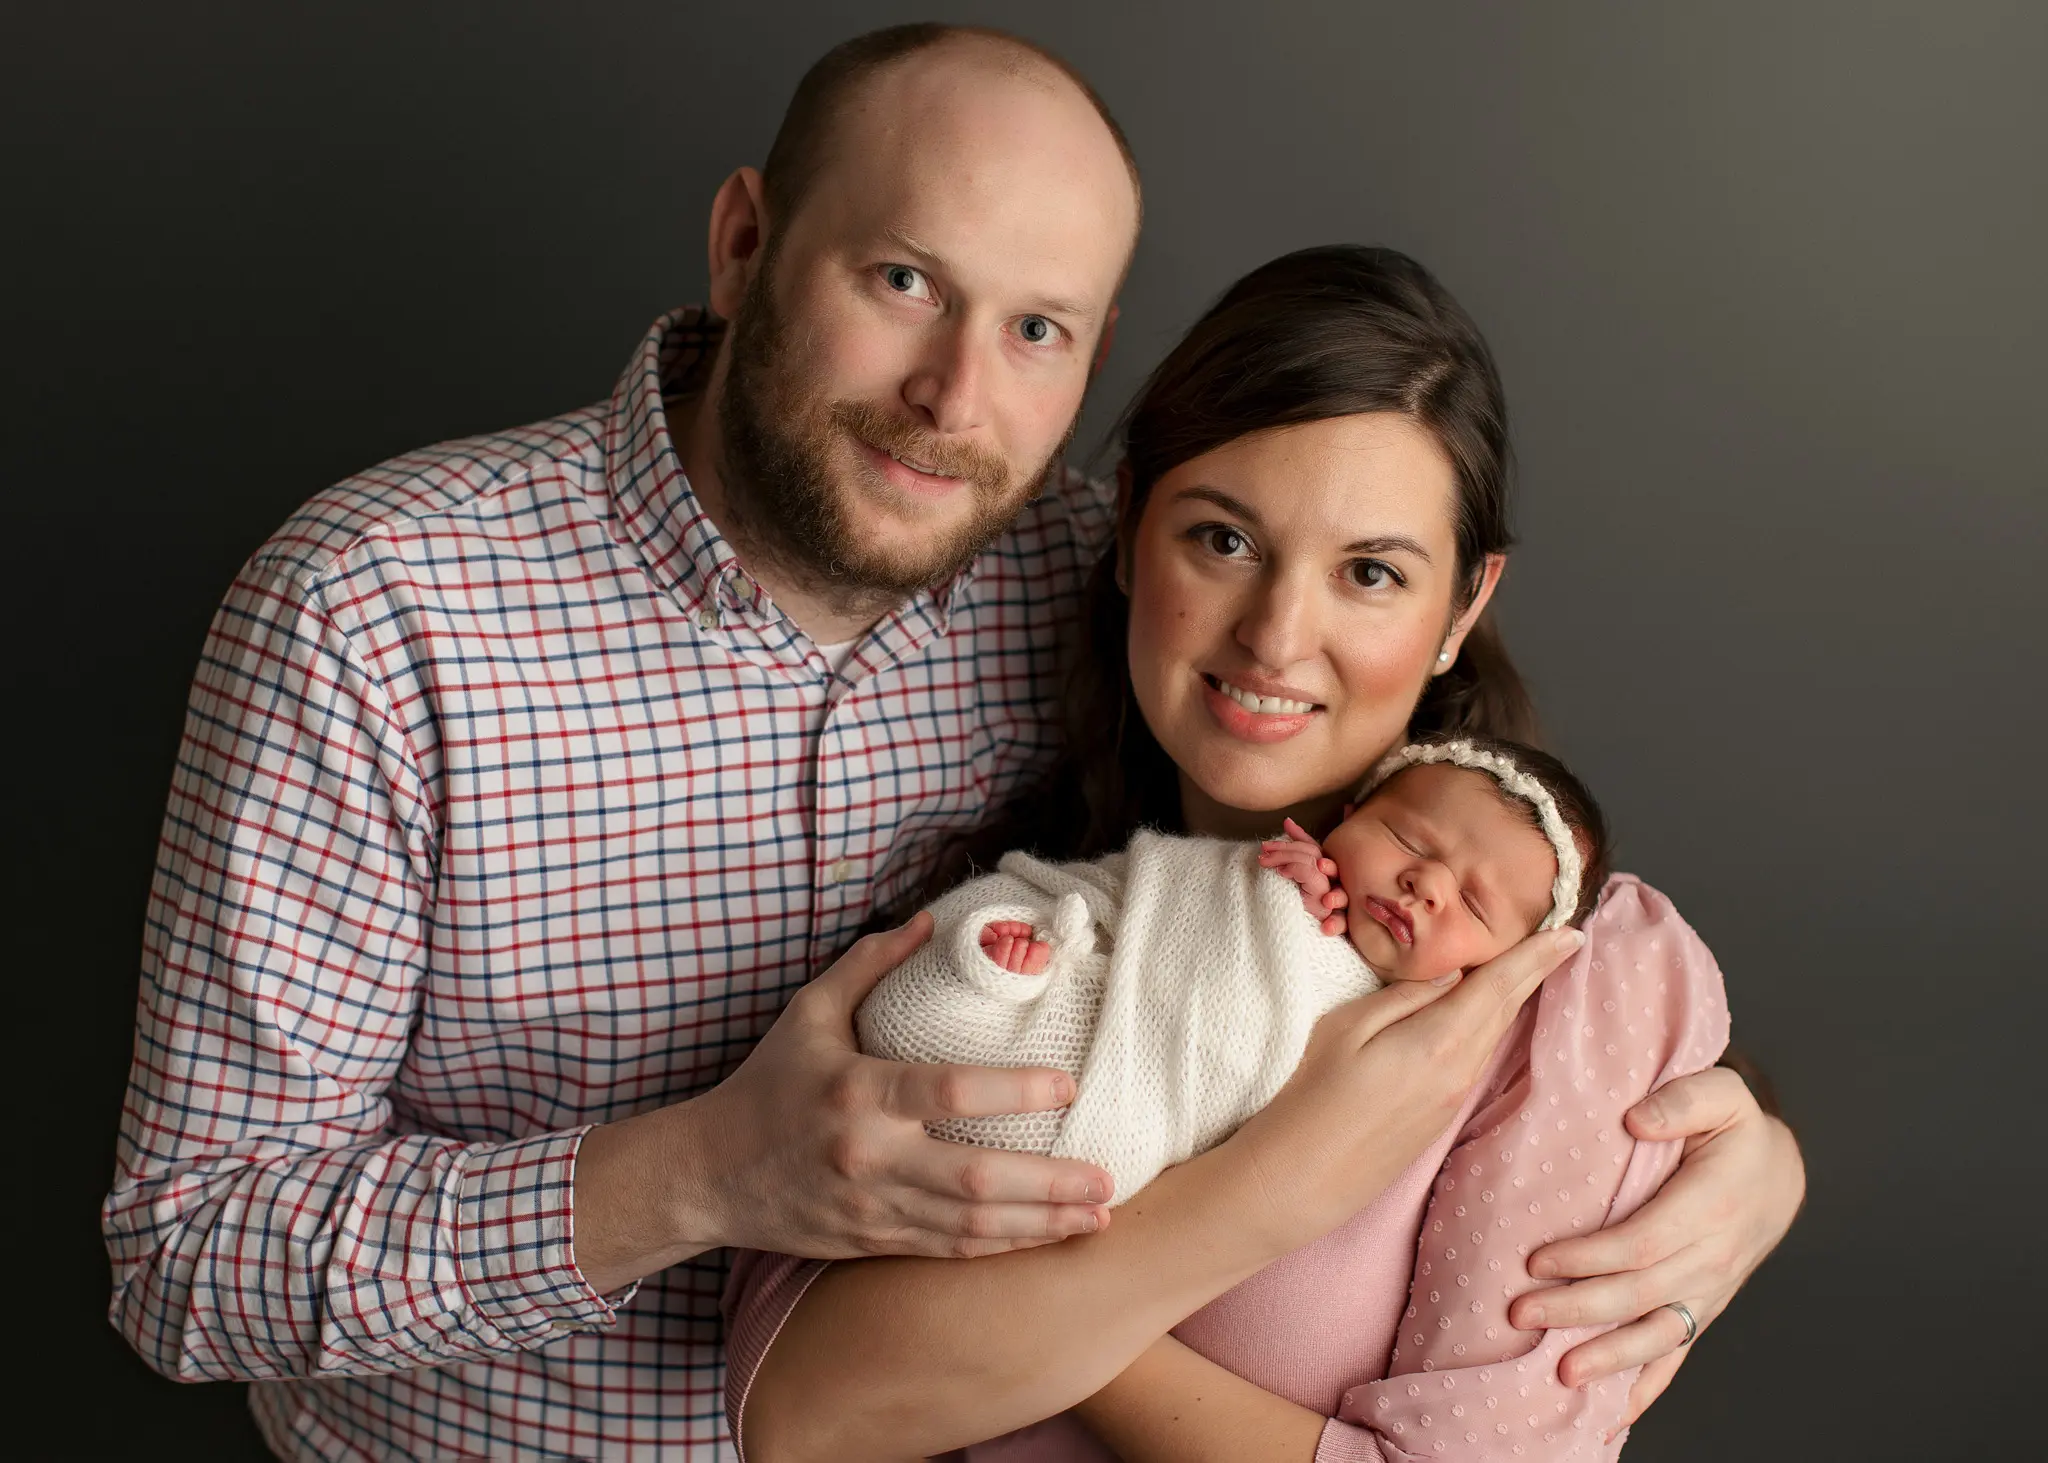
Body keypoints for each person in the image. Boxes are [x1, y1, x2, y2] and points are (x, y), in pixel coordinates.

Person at [101, 23, 1801, 1461]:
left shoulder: (1099, 587)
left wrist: (1750, 1151)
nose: (954, 395)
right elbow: (186, 1260)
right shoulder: (376, 611)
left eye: (1037, 330)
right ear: (744, 241)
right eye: (903, 280)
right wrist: (693, 1174)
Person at [725, 247, 1755, 1461]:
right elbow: (795, 1407)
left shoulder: (1570, 977)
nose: (1274, 634)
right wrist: (1253, 1200)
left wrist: (1010, 1304)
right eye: (1220, 540)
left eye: (1369, 571)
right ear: (1127, 532)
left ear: (1463, 608)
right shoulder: (1012, 890)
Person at [855, 733, 1612, 1208]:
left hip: (1107, 1121)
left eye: (1474, 905)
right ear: (1343, 818)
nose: (1427, 885)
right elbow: (1135, 899)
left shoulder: (1428, 1042)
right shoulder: (1278, 876)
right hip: (1074, 979)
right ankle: (995, 966)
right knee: (917, 1009)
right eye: (1407, 839)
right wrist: (1270, 892)